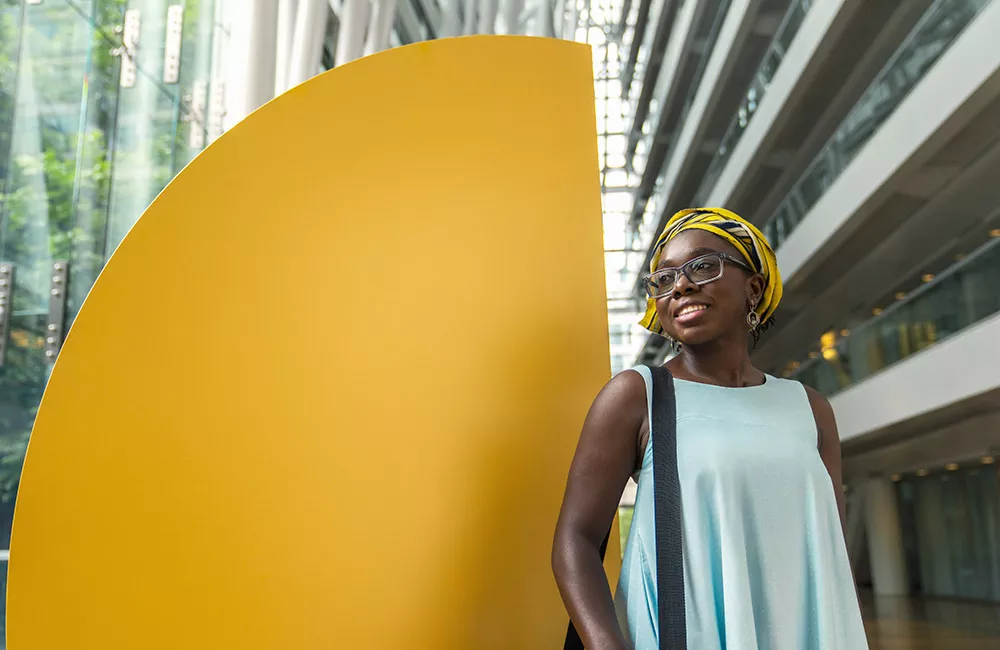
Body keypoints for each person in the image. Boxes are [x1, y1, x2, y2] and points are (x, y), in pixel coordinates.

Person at [552, 208, 868, 649]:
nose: (681, 285)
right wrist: (606, 644)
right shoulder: (638, 395)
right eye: (664, 278)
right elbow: (576, 540)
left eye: (702, 266)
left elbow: (832, 551)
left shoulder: (810, 408)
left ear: (753, 288)